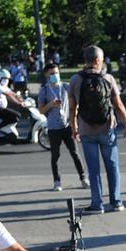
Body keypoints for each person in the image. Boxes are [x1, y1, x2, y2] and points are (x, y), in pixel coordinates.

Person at [69, 45, 126, 214]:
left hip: (86, 129)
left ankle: (97, 204)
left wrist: (74, 127)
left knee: (93, 169)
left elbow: (72, 107)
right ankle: (116, 202)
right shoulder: (108, 78)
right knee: (112, 166)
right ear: (98, 60)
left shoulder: (76, 80)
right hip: (107, 129)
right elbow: (118, 104)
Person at [37, 63, 88, 192]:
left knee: (75, 153)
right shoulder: (44, 90)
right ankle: (57, 181)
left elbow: (75, 103)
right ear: (47, 75)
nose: (55, 76)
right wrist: (51, 104)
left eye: (57, 73)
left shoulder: (66, 87)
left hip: (67, 126)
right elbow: (41, 110)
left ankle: (83, 178)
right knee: (55, 155)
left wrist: (74, 118)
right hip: (53, 128)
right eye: (52, 74)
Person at [0, 68, 25, 133]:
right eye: (5, 78)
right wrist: (18, 103)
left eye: (7, 79)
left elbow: (11, 93)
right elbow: (8, 95)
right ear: (0, 78)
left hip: (0, 108)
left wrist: (20, 98)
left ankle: (5, 131)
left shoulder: (3, 86)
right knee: (16, 116)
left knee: (15, 116)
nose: (6, 80)